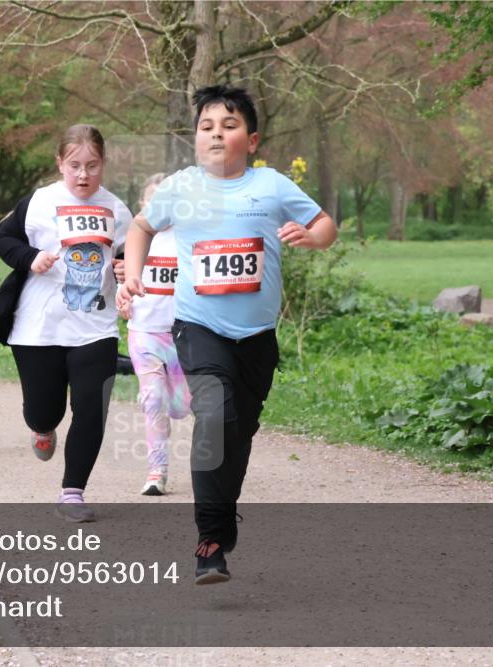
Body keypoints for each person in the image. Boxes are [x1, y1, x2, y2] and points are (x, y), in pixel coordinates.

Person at [117, 85, 337, 584]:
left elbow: (325, 224)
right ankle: (209, 542)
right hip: (198, 326)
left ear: (253, 140)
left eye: (229, 125)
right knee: (214, 417)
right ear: (195, 139)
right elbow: (141, 227)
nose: (217, 134)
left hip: (258, 337)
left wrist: (313, 237)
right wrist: (134, 273)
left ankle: (222, 515)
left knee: (237, 436)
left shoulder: (273, 187)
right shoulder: (181, 186)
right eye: (207, 127)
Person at [0, 124, 131, 522]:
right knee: (44, 412)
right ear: (59, 162)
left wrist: (129, 270)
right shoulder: (39, 201)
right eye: (74, 165)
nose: (82, 175)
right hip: (39, 327)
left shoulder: (119, 210)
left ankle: (72, 492)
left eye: (92, 166)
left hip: (95, 326)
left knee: (91, 409)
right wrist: (30, 258)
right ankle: (42, 429)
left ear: (103, 165)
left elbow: (131, 254)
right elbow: (3, 239)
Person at [123, 173, 190, 496]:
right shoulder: (136, 238)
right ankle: (156, 472)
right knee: (155, 401)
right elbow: (123, 282)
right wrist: (123, 298)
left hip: (181, 335)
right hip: (144, 331)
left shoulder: (186, 238)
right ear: (142, 205)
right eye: (153, 200)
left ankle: (166, 399)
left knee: (180, 406)